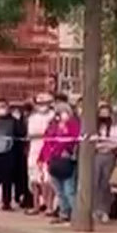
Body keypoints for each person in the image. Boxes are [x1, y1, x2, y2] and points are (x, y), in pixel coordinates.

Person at [41, 95, 81, 223]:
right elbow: (47, 141)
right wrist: (44, 158)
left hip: (67, 160)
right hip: (53, 160)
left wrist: (67, 150)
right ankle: (64, 213)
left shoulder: (73, 124)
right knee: (59, 190)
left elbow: (75, 140)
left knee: (69, 190)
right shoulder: (52, 125)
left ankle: (76, 214)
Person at [91, 103, 117, 222]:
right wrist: (100, 145)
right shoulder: (95, 126)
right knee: (95, 183)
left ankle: (105, 210)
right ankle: (95, 209)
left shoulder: (114, 127)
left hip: (109, 155)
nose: (104, 115)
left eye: (106, 112)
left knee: (106, 184)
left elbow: (116, 142)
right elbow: (91, 141)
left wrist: (105, 145)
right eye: (102, 112)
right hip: (97, 155)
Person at [25, 97, 54, 214]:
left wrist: (41, 135)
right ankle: (35, 205)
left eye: (45, 103)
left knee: (47, 180)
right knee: (33, 179)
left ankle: (49, 206)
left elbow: (51, 133)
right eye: (40, 103)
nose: (42, 105)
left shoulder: (52, 116)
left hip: (47, 149)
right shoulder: (32, 117)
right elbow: (30, 134)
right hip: (34, 150)